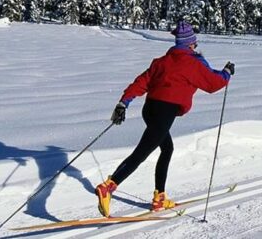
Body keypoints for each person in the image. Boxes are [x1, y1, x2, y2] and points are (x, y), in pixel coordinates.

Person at [95, 21, 235, 217]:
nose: (195, 46)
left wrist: (123, 103)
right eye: (194, 43)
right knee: (141, 153)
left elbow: (141, 82)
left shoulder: (161, 61)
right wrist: (227, 72)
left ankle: (159, 198)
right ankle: (108, 187)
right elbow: (214, 83)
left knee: (167, 148)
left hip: (150, 109)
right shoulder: (193, 63)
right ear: (190, 44)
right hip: (164, 113)